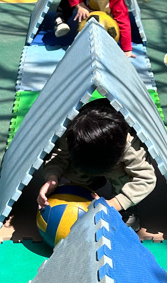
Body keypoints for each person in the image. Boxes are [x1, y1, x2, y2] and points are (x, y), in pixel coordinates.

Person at [37, 98, 156, 232]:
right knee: (71, 168)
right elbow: (58, 156)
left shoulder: (131, 147)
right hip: (91, 151)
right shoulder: (71, 134)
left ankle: (126, 209)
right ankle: (87, 185)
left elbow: (146, 179)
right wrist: (52, 178)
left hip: (116, 161)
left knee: (124, 177)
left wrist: (115, 203)